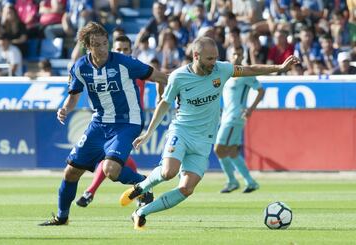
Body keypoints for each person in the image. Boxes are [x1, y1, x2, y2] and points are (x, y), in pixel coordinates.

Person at [119, 36, 299, 230]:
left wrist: (278, 68)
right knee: (168, 172)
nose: (214, 63)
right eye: (209, 59)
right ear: (196, 56)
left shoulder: (222, 69)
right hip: (182, 131)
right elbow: (164, 104)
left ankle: (140, 213)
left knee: (187, 189)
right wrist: (147, 133)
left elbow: (250, 69)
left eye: (215, 58)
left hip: (205, 139)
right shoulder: (178, 77)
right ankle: (140, 188)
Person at [39, 22, 167, 226]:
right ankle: (62, 217)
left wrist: (173, 92)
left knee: (111, 170)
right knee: (70, 172)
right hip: (99, 123)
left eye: (105, 43)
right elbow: (73, 96)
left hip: (128, 122)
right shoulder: (80, 66)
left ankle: (142, 183)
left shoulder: (125, 63)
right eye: (97, 45)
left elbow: (162, 77)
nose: (102, 49)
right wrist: (65, 108)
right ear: (88, 47)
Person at [75, 35, 164, 208]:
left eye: (125, 49)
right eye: (118, 49)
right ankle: (139, 188)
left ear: (131, 50)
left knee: (111, 161)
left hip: (130, 121)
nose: (122, 52)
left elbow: (159, 77)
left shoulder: (133, 67)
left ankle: (91, 191)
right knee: (114, 161)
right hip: (108, 121)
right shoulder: (109, 67)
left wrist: (160, 97)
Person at [214, 45, 264, 194]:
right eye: (234, 54)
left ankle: (232, 181)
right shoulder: (227, 73)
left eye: (240, 55)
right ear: (230, 56)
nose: (237, 57)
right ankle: (250, 182)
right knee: (232, 151)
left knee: (219, 149)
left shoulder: (246, 74)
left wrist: (250, 109)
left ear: (243, 57)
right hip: (227, 116)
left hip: (235, 117)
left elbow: (261, 90)